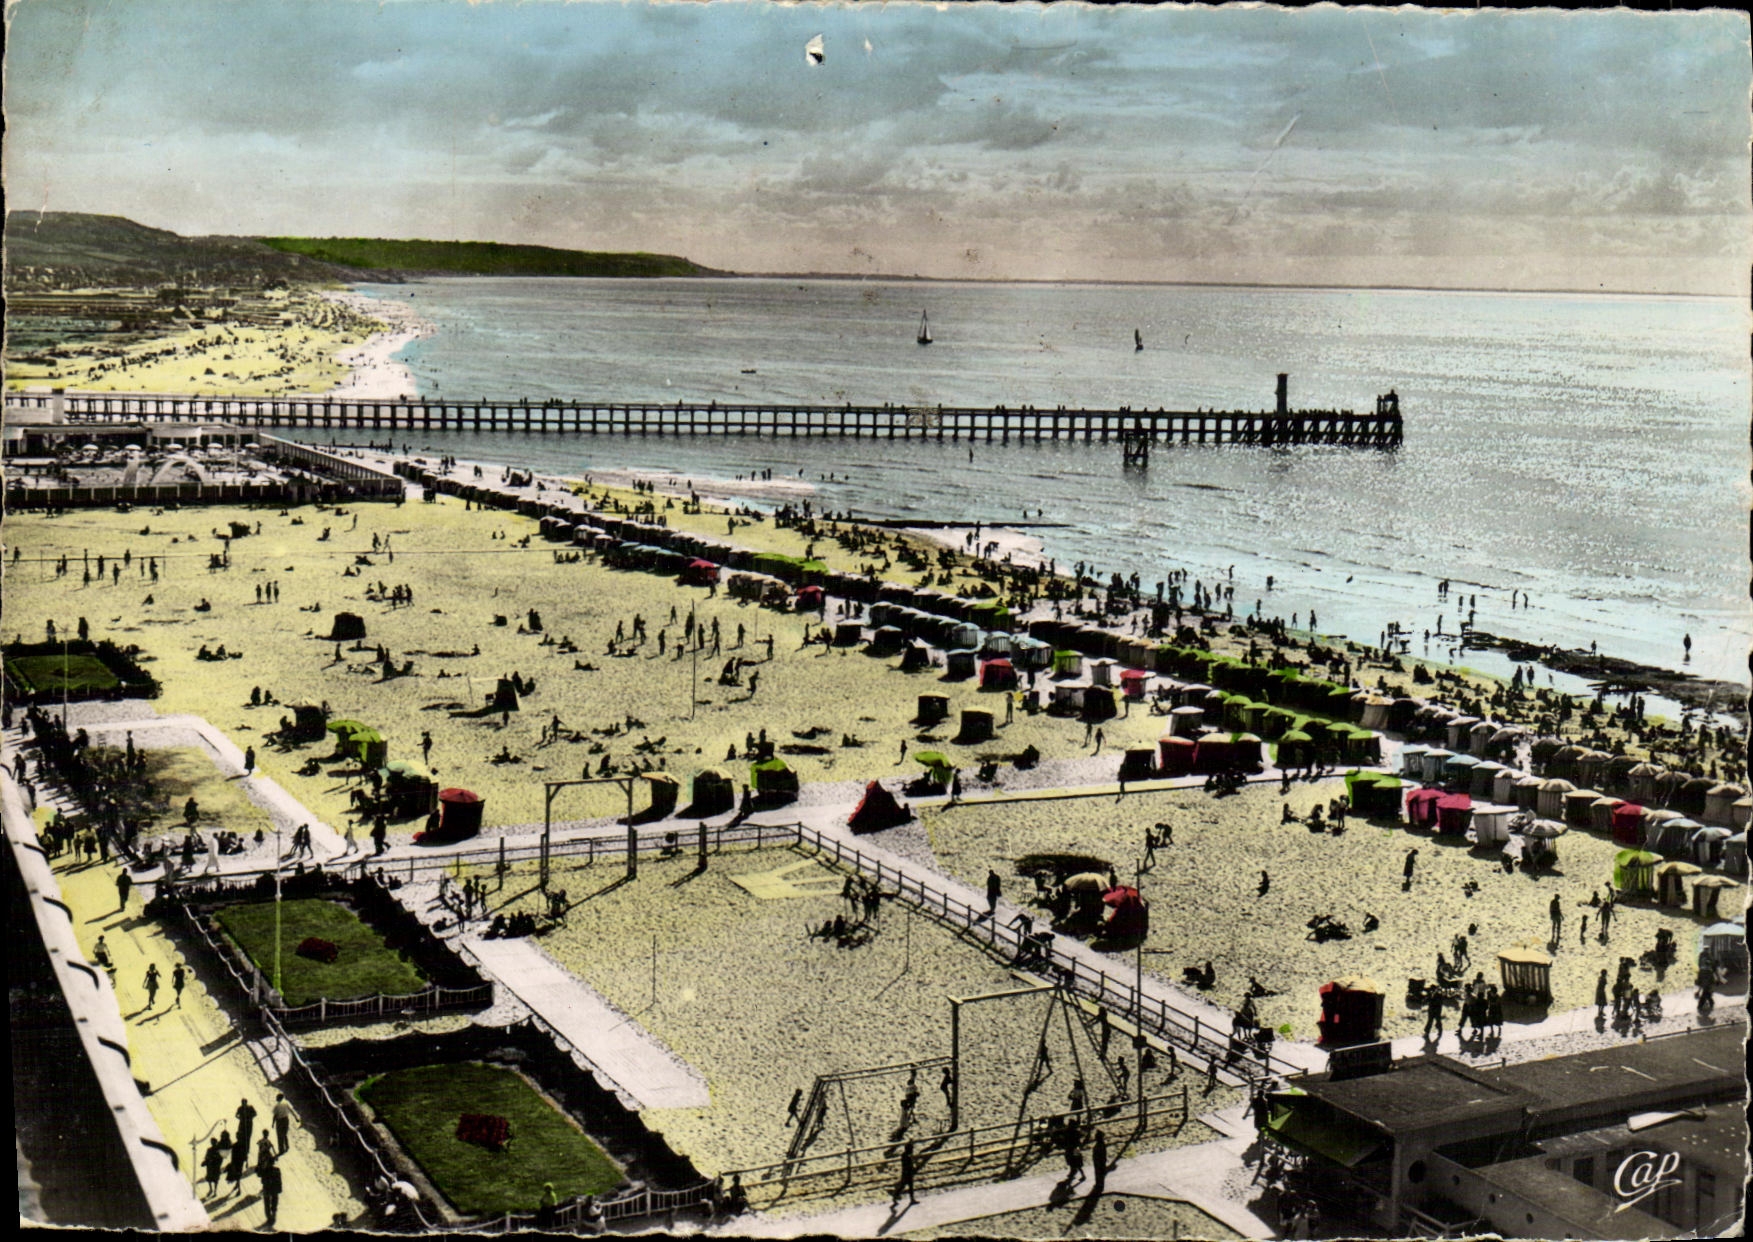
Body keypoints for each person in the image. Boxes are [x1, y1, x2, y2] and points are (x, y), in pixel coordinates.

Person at [258, 1154, 282, 1228]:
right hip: (275, 1189)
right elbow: (279, 1181)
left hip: (267, 1189)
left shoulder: (265, 1171)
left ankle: (269, 1218)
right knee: (274, 1201)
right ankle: (274, 1213)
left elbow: (262, 1180)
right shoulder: (277, 1170)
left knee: (267, 1204)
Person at [893, 1139, 919, 1207]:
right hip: (907, 1173)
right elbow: (909, 1165)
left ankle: (897, 1196)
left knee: (907, 1186)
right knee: (906, 1186)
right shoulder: (907, 1156)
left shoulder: (904, 1155)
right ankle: (896, 1196)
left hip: (906, 1173)